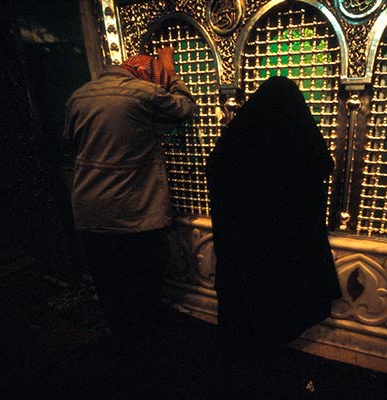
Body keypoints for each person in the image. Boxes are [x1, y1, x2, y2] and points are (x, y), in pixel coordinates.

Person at [206, 76, 341, 398]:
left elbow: (217, 172)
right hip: (285, 254)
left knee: (247, 316)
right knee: (277, 312)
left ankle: (245, 372)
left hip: (241, 253)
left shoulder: (234, 143)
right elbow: (323, 164)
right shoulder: (297, 145)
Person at [63, 48, 195, 357]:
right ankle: (147, 351)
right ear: (146, 75)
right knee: (144, 283)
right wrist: (171, 74)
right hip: (132, 213)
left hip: (88, 210)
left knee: (110, 285)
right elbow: (186, 108)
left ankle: (122, 345)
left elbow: (71, 147)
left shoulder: (78, 96)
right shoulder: (144, 93)